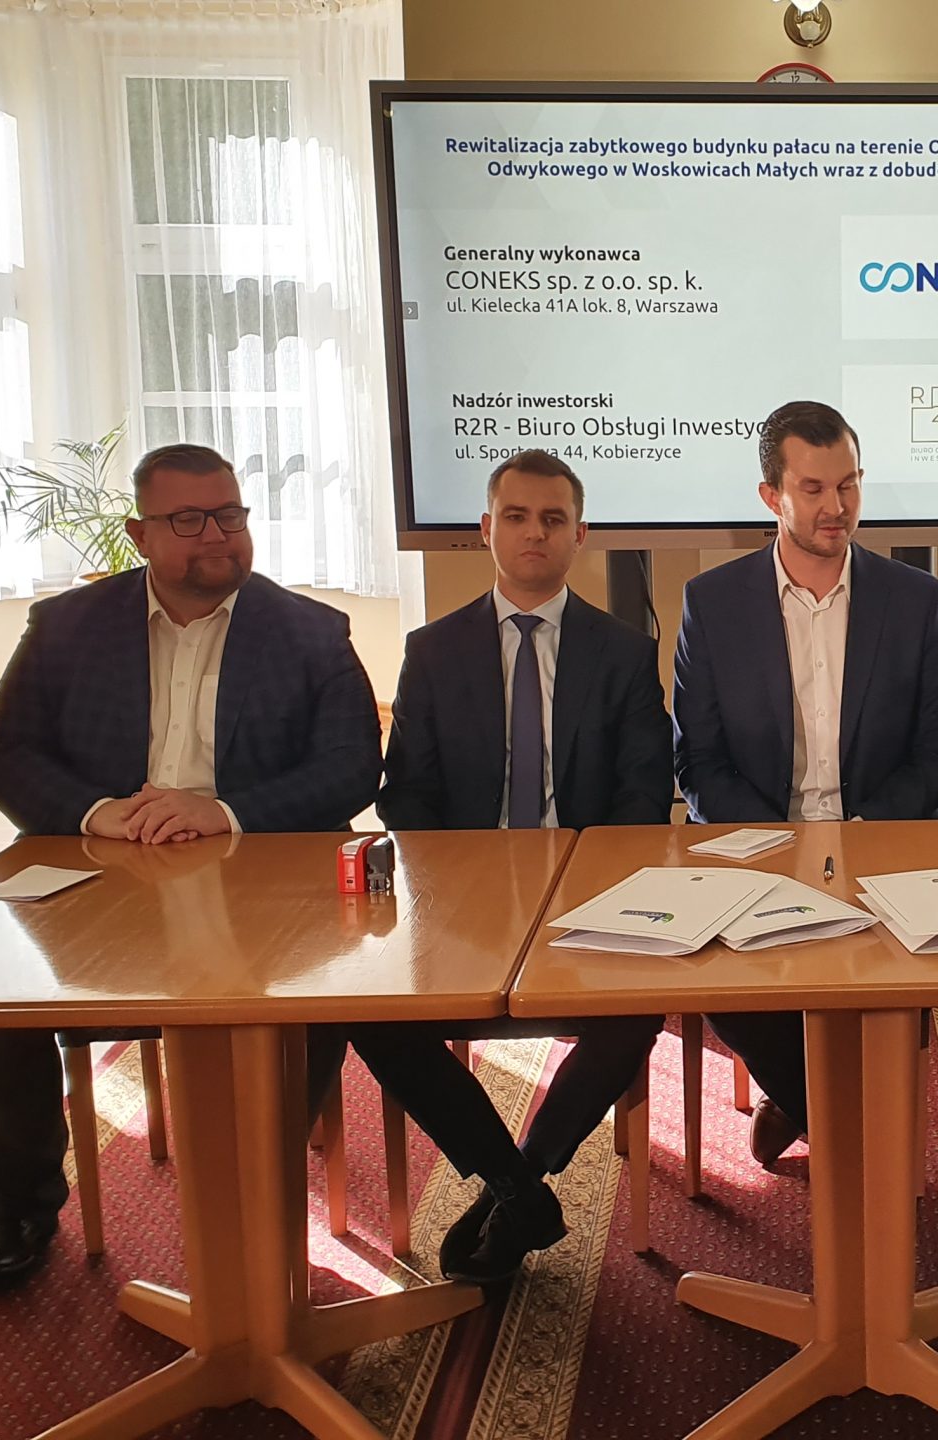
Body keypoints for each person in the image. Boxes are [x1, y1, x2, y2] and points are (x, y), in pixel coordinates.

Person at [0, 442, 381, 1292]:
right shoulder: (66, 628)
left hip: (262, 876)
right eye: (188, 520)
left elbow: (351, 769)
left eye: (229, 514)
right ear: (139, 534)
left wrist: (224, 812)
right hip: (104, 868)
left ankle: (260, 1196)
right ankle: (19, 1203)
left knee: (314, 987)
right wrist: (97, 812)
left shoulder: (310, 631)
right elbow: (5, 757)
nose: (216, 535)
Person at [370, 449, 672, 1283]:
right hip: (461, 901)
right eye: (516, 516)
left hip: (583, 897)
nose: (534, 533)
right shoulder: (433, 651)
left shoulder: (623, 653)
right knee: (371, 1015)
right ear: (486, 529)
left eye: (552, 519)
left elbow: (643, 799)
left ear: (580, 535)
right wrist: (462, 886)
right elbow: (406, 796)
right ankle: (514, 1187)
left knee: (637, 1011)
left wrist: (577, 886)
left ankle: (521, 1179)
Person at [671, 400, 938, 1165]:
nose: (837, 506)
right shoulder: (713, 602)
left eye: (849, 484)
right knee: (712, 975)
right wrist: (782, 845)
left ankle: (813, 1107)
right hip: (758, 844)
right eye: (814, 488)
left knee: (897, 979)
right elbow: (698, 760)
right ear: (771, 495)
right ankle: (821, 1107)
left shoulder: (913, 599)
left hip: (882, 843)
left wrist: (861, 835)